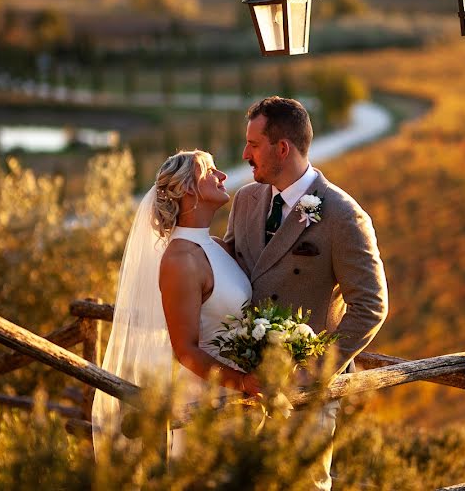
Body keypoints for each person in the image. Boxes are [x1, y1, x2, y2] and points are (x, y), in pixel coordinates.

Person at [225, 96, 389, 490]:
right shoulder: (246, 200)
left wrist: (311, 372)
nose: (245, 154)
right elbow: (229, 270)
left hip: (305, 396)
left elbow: (371, 305)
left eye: (254, 144)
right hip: (244, 384)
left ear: (282, 147)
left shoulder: (342, 214)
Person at [92, 150, 261, 459]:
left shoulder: (219, 247)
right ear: (188, 190)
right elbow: (185, 350)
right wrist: (243, 383)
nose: (222, 176)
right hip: (207, 400)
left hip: (242, 397)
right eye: (209, 171)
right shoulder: (180, 259)